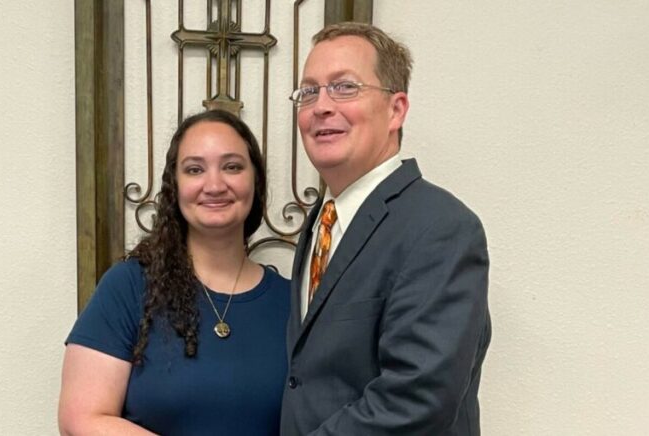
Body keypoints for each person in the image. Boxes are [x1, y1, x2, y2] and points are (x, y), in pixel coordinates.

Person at [280, 22, 491, 435]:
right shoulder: (321, 222)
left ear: (396, 109)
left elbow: (417, 398)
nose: (321, 106)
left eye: (344, 87)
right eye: (309, 91)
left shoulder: (441, 228)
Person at [59, 110, 290, 436]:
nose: (214, 185)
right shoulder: (129, 287)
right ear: (175, 186)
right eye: (195, 169)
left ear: (256, 180)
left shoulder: (294, 301)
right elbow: (81, 418)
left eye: (232, 167)